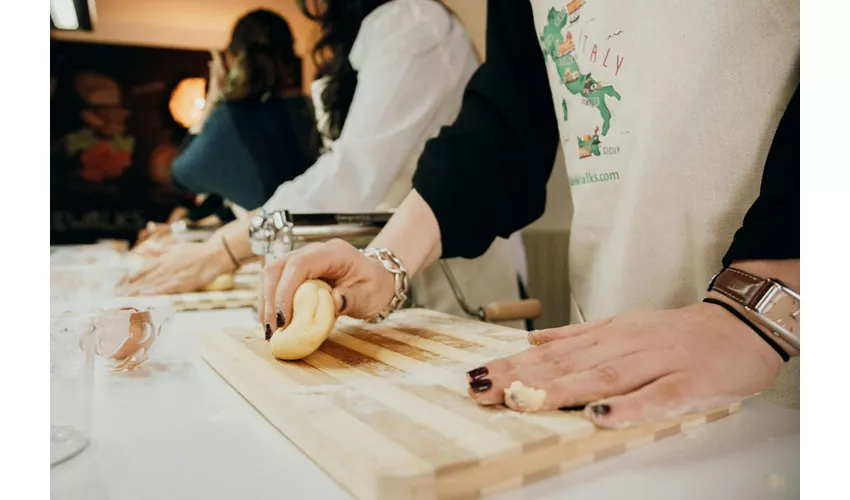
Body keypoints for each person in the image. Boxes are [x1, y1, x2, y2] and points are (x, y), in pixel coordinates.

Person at [256, 0, 800, 428]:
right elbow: (508, 120)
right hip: (600, 350)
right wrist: (383, 260)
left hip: (786, 359)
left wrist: (766, 297)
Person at [126, 0, 529, 328]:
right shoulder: (367, 38)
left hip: (450, 269)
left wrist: (223, 250)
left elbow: (349, 175)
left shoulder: (413, 22)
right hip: (386, 263)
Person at [169, 9, 319, 211]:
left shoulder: (230, 118)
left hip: (264, 236)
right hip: (318, 230)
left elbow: (181, 177)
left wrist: (212, 101)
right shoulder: (311, 109)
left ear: (230, 59)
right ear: (290, 59)